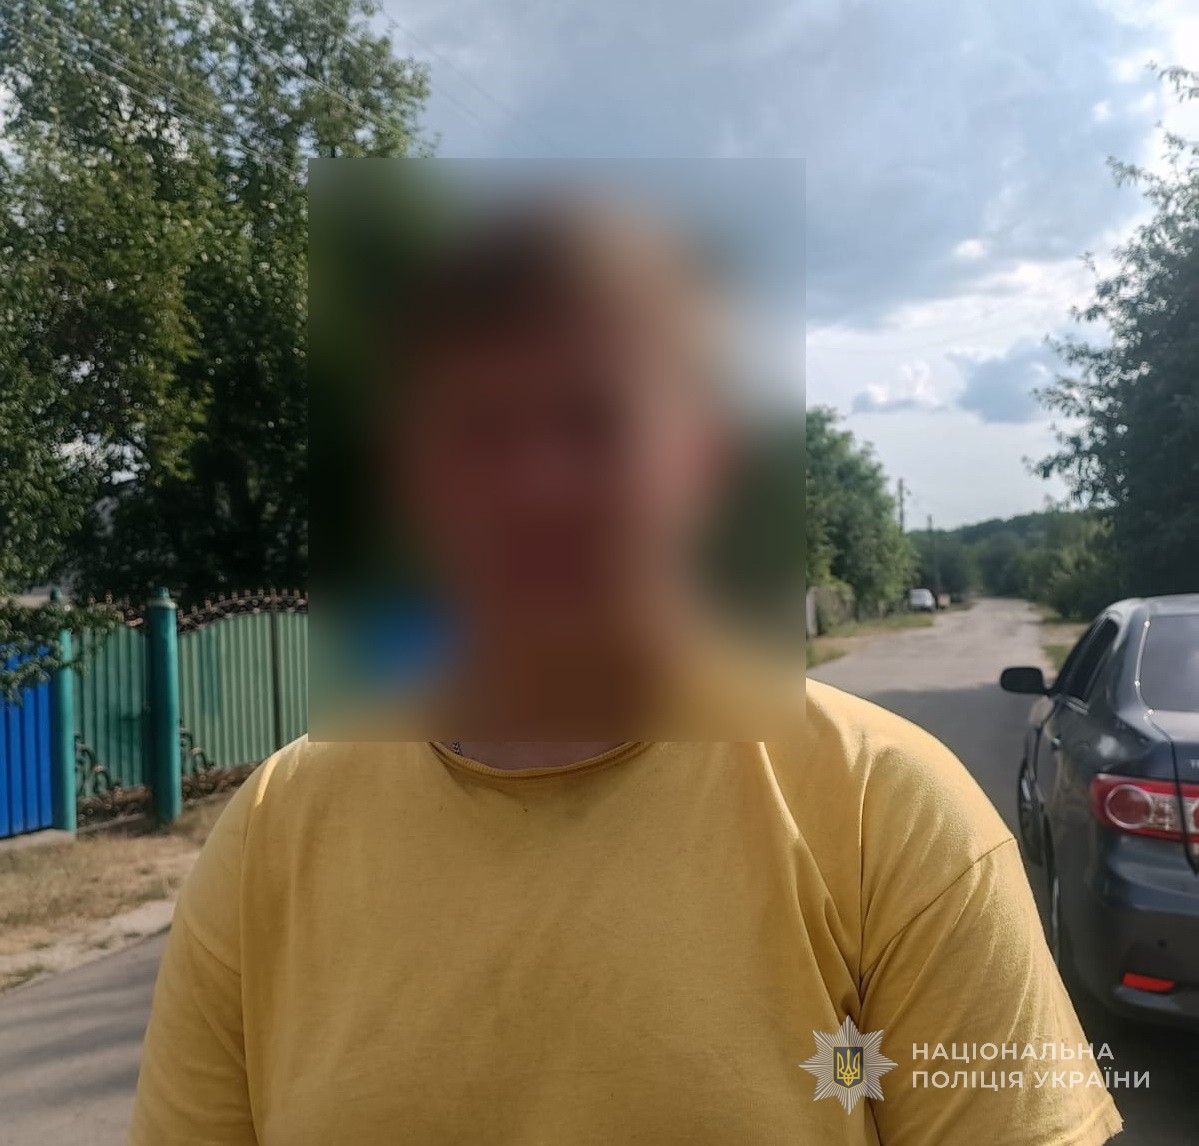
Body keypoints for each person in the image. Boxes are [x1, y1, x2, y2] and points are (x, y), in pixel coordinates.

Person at [130, 191, 1122, 1145]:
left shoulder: (889, 813)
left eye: (595, 422)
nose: (536, 489)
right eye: (474, 430)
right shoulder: (272, 833)